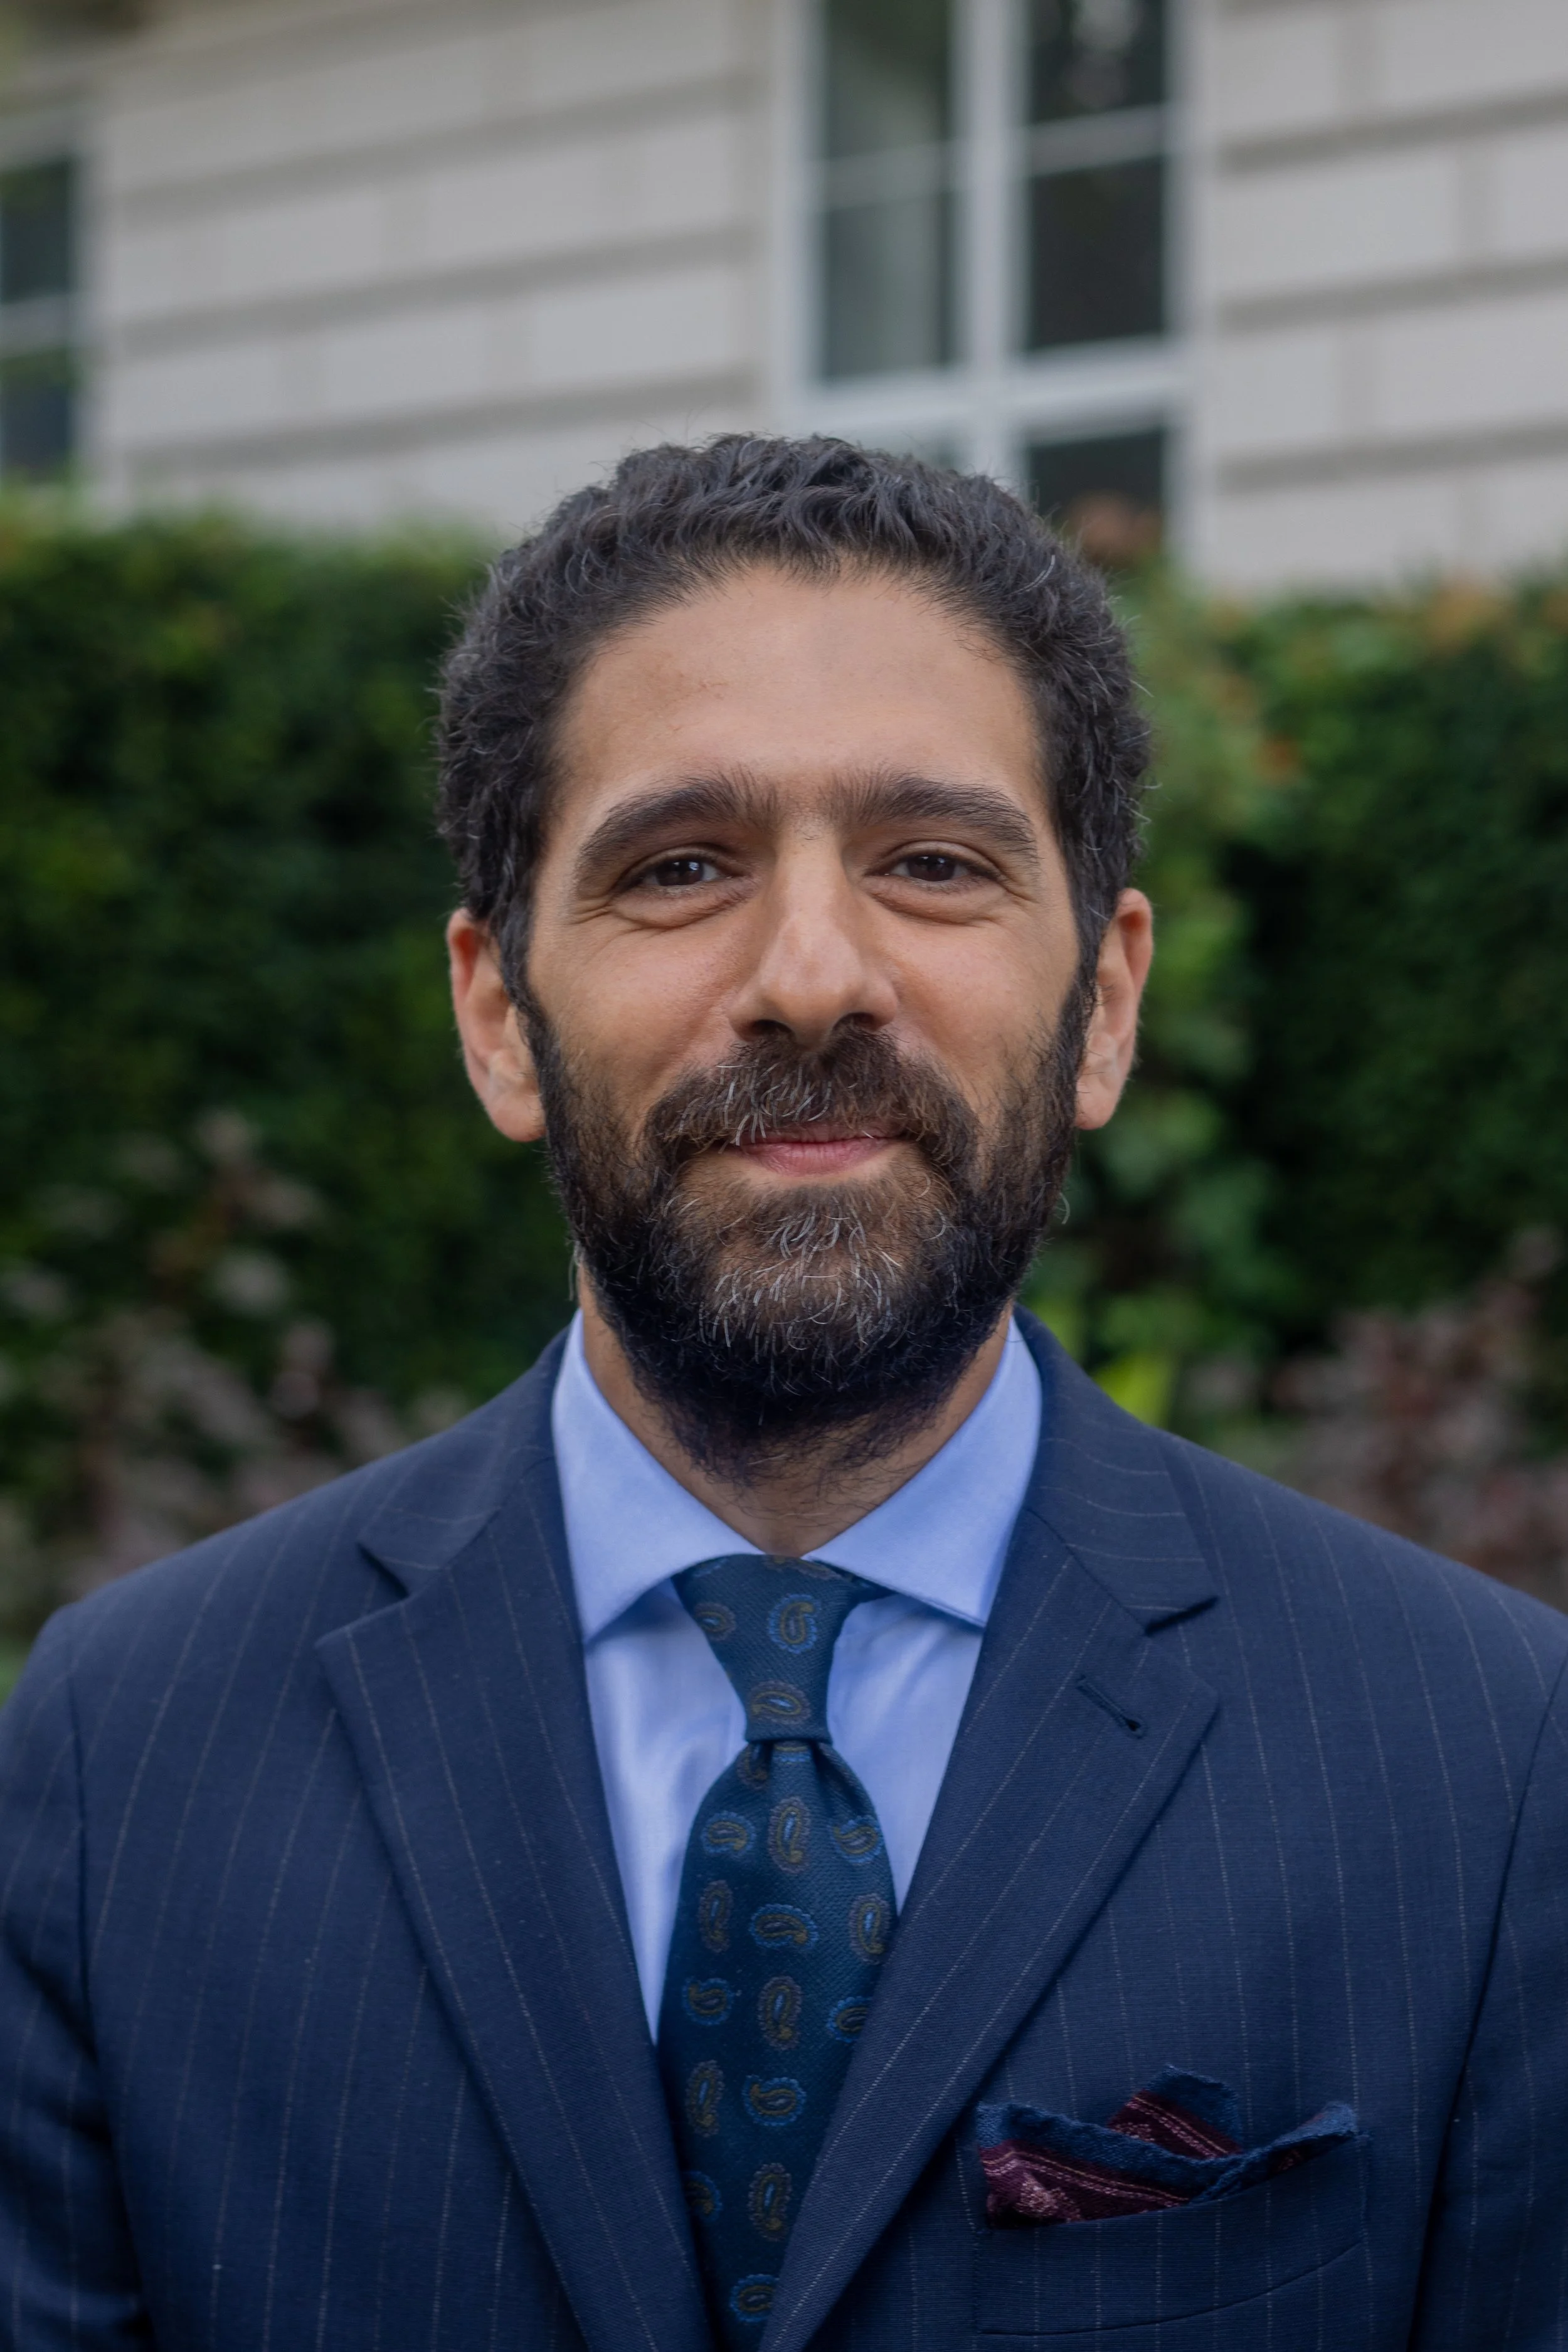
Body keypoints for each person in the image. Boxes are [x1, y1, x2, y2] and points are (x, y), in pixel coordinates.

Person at [1, 438, 1563, 2352]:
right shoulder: (124, 1754)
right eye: (679, 867)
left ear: (1105, 1002)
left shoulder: (1485, 1764)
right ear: (497, 1016)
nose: (813, 975)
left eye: (932, 862)